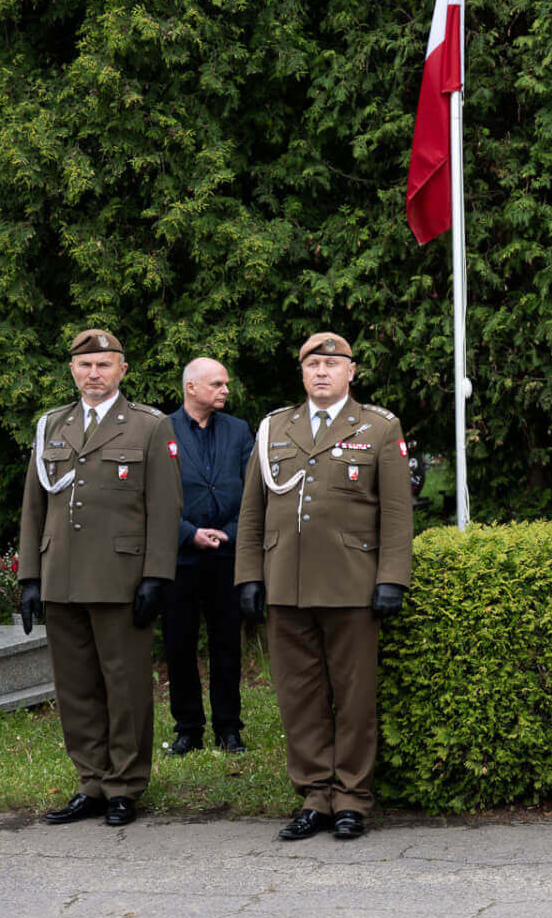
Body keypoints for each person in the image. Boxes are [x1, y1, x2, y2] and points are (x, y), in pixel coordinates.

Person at [235, 333, 413, 842]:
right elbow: (253, 511)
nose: (322, 372)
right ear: (302, 372)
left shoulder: (379, 428)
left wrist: (391, 579)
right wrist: (248, 575)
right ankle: (314, 796)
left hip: (352, 585)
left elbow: (397, 515)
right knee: (299, 696)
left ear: (351, 372)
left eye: (333, 364)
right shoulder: (274, 428)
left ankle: (352, 798)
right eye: (313, 364)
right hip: (284, 584)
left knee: (355, 698)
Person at [17, 329, 183, 827]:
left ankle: (125, 786)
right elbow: (32, 507)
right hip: (61, 577)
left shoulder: (149, 427)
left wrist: (156, 575)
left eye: (104, 365)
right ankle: (90, 781)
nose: (94, 374)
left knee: (125, 684)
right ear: (72, 370)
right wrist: (29, 577)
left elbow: (166, 507)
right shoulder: (52, 426)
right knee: (76, 686)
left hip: (121, 577)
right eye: (86, 365)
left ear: (122, 371)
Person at [162, 358, 253, 756]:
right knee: (179, 645)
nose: (225, 390)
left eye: (226, 384)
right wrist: (188, 533)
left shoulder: (238, 430)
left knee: (227, 645)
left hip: (227, 555)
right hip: (179, 556)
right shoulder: (160, 430)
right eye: (217, 384)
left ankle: (228, 728)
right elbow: (153, 496)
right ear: (191, 388)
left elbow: (253, 491)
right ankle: (188, 728)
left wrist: (229, 533)